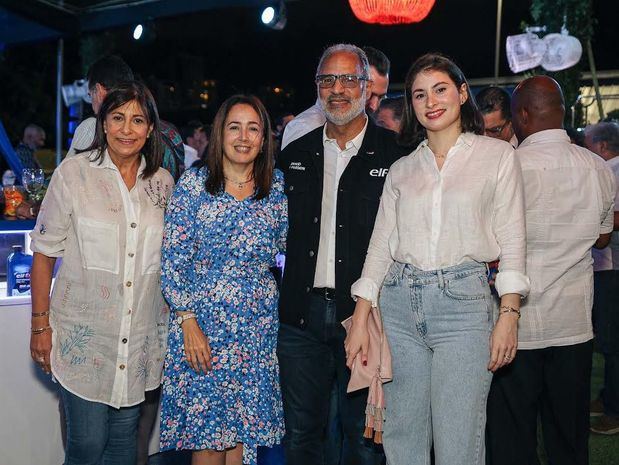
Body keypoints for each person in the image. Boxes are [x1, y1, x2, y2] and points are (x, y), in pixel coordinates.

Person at [345, 53, 530, 465]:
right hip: (398, 306)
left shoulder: (496, 157)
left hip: (464, 307)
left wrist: (509, 314)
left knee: (458, 439)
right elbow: (380, 247)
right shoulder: (402, 169)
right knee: (402, 436)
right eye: (419, 94)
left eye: (441, 89)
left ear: (463, 93)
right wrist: (359, 319)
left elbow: (514, 239)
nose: (431, 101)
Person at [277, 43, 410, 465]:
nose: (338, 89)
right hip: (301, 318)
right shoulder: (293, 156)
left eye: (349, 79)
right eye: (327, 79)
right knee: (301, 435)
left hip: (367, 318)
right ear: (317, 87)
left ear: (367, 87)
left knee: (365, 438)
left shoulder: (397, 156)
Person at [29, 80, 173, 465]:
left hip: (139, 339)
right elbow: (43, 254)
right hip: (85, 341)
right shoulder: (74, 174)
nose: (127, 129)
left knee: (125, 444)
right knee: (88, 444)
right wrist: (40, 326)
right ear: (103, 124)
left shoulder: (163, 184)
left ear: (150, 129)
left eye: (138, 120)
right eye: (118, 118)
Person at [485, 77, 616, 465]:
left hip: (514, 325)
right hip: (572, 322)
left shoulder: (505, 166)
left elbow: (489, 243)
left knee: (512, 436)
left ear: (522, 114)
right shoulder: (597, 166)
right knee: (568, 436)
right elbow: (603, 240)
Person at [159, 94, 287, 465]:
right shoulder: (195, 185)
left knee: (243, 442)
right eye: (235, 127)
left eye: (253, 128)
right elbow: (173, 260)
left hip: (256, 330)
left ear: (264, 138)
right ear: (220, 134)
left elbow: (287, 247)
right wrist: (188, 322)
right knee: (209, 440)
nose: (244, 137)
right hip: (203, 328)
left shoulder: (276, 188)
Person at [68, 55, 185, 181]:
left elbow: (68, 179)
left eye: (90, 95)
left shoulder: (92, 126)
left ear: (99, 90)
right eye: (118, 118)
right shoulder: (171, 131)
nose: (126, 130)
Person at [281, 46, 391, 149]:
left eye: (381, 97)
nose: (374, 106)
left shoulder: (385, 137)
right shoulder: (304, 128)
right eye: (370, 93)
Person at [585, 121, 619, 435]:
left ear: (602, 146)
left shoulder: (610, 171)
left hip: (612, 267)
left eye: (588, 143)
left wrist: (590, 218)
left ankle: (614, 411)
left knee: (611, 343)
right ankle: (608, 397)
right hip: (607, 266)